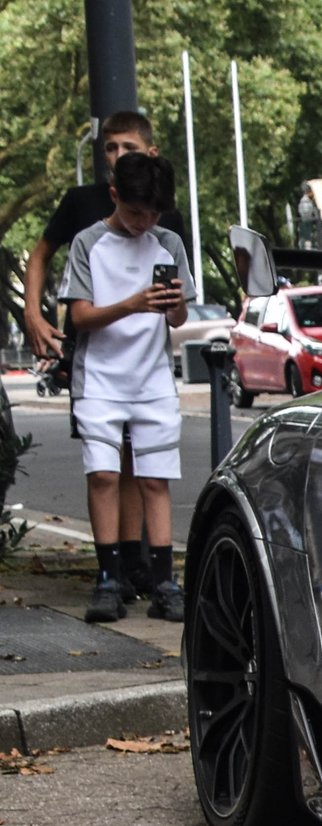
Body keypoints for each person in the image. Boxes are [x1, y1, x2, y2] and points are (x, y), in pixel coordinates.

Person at [23, 111, 173, 598]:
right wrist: (33, 313)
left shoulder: (159, 214)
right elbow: (41, 252)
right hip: (98, 361)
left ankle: (138, 564)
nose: (116, 156)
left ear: (149, 152)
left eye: (126, 147)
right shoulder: (83, 209)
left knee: (142, 464)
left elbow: (176, 295)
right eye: (109, 148)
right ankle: (113, 568)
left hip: (146, 368)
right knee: (106, 465)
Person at [62, 150, 192, 624]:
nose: (145, 222)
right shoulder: (88, 244)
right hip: (99, 375)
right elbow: (79, 317)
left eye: (154, 213)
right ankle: (108, 579)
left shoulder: (169, 244)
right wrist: (132, 303)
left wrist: (172, 305)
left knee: (156, 477)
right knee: (104, 475)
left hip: (152, 375)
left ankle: (164, 582)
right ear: (115, 196)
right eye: (137, 211)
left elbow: (178, 316)